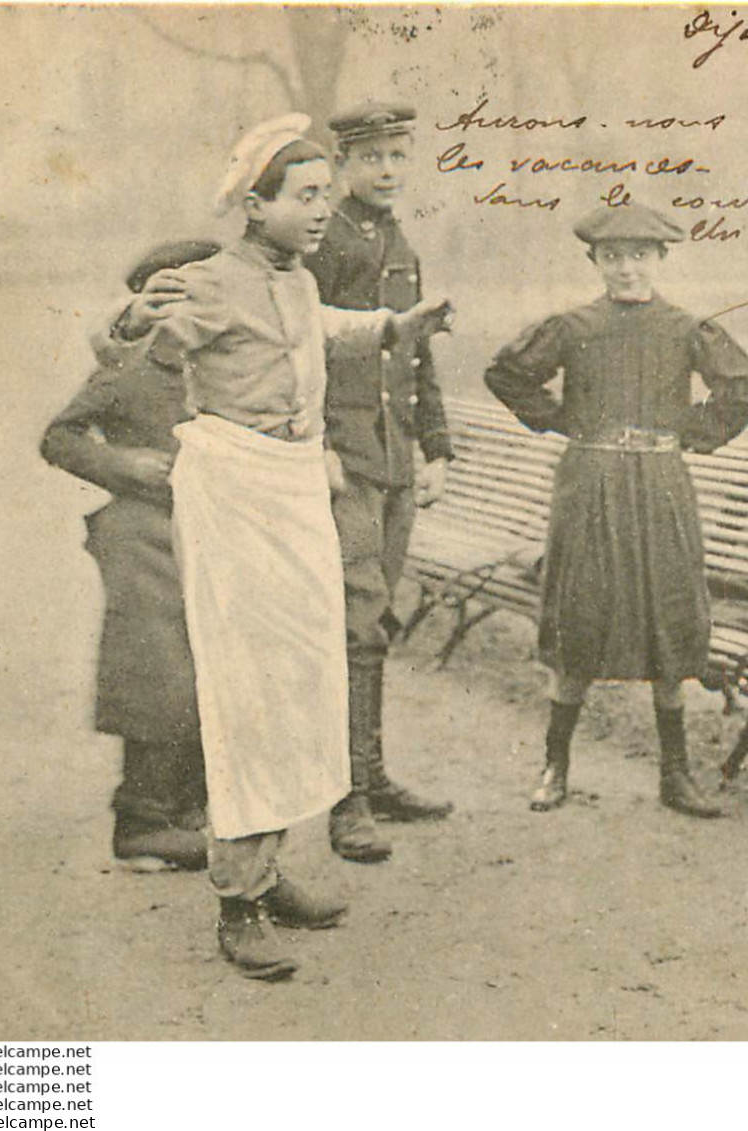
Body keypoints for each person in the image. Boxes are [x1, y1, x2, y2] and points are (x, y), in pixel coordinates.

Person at [104, 114, 454, 980]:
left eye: (325, 197)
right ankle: (238, 900)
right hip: (235, 491)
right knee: (247, 689)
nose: (321, 211)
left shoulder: (293, 280)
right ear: (254, 206)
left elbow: (323, 326)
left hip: (296, 485)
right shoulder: (212, 281)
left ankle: (269, 868)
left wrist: (393, 327)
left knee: (302, 677)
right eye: (304, 198)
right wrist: (127, 319)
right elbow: (126, 346)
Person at [485, 203, 748, 818]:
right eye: (613, 256)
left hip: (661, 483)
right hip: (589, 481)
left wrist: (691, 432)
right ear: (596, 262)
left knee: (667, 612)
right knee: (578, 611)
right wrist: (559, 419)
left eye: (640, 255)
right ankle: (554, 764)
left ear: (660, 259)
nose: (627, 268)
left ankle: (676, 773)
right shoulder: (574, 325)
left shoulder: (686, 328)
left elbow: (744, 388)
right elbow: (507, 374)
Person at [302, 102, 455, 865]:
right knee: (354, 623)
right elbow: (306, 354)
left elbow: (418, 351)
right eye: (373, 159)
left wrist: (436, 446)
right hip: (347, 460)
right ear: (342, 167)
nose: (389, 170)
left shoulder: (401, 242)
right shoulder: (321, 240)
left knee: (377, 618)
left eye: (399, 155)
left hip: (393, 461)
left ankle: (372, 774)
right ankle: (347, 799)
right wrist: (321, 446)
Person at [40, 240, 220, 874]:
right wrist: (123, 465)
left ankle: (189, 810)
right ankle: (142, 822)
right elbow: (59, 437)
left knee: (211, 664)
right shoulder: (134, 366)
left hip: (206, 532)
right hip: (140, 531)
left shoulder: (228, 365)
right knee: (158, 670)